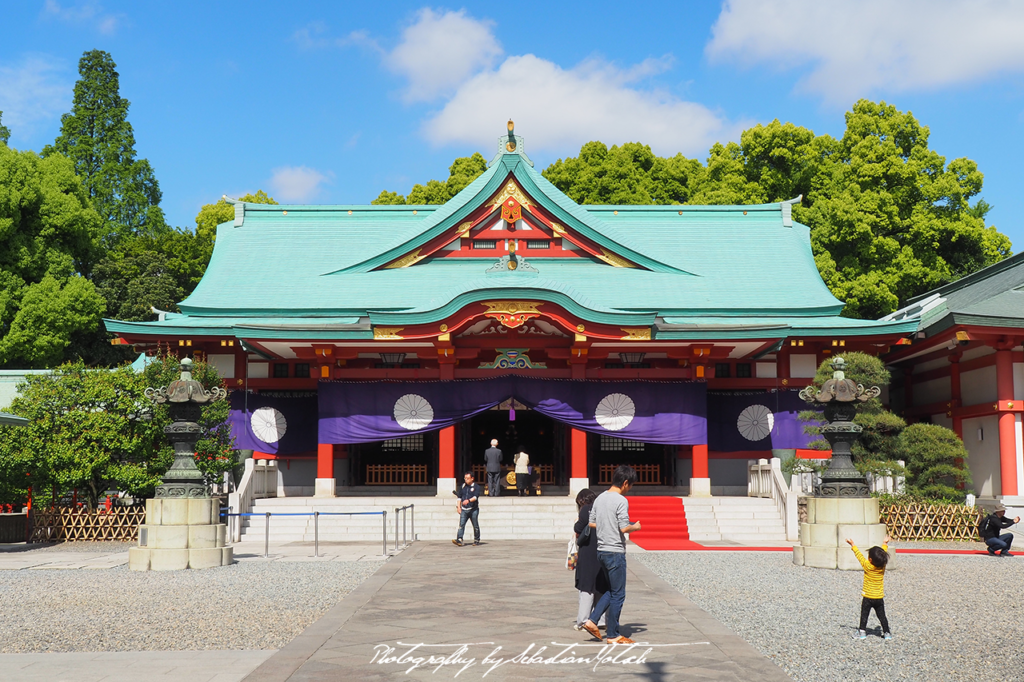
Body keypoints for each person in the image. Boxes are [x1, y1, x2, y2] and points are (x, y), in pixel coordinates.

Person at [580, 465, 641, 645]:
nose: (629, 490)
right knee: (619, 594)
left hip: (601, 550)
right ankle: (613, 634)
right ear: (625, 483)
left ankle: (592, 621)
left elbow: (592, 523)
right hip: (615, 551)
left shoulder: (599, 498)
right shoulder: (620, 500)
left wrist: (607, 526)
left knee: (610, 590)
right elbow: (624, 527)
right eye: (630, 486)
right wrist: (635, 526)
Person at [845, 535, 892, 640]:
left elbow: (859, 556)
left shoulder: (867, 566)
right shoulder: (882, 566)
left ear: (870, 559)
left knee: (864, 614)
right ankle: (887, 633)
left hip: (868, 597)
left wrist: (853, 545)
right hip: (879, 597)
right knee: (882, 616)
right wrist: (885, 543)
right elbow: (883, 554)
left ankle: (862, 632)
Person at [572, 488, 607, 632]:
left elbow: (579, 527)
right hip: (602, 550)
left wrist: (576, 522)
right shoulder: (602, 507)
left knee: (586, 588)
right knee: (601, 587)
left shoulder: (586, 509)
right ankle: (601, 619)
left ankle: (583, 620)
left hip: (588, 552)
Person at [452, 471, 482, 546]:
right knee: (461, 524)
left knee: (475, 525)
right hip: (464, 509)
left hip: (473, 509)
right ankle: (459, 539)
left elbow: (475, 497)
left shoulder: (476, 487)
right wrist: (458, 507)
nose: (466, 480)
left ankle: (476, 539)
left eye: (468, 478)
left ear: (472, 478)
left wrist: (468, 500)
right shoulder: (463, 486)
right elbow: (459, 497)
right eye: (465, 478)